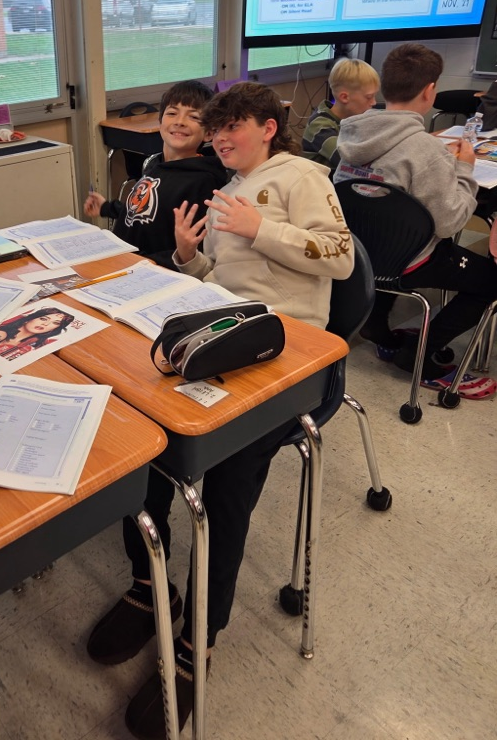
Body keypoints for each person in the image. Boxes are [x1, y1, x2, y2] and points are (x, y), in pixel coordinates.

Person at [86, 83, 354, 739]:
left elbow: (341, 257)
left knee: (229, 482)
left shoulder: (301, 175)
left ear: (268, 127)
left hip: (286, 356)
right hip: (225, 333)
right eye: (217, 132)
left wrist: (262, 226)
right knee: (140, 439)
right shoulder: (229, 187)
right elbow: (226, 283)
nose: (221, 140)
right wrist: (188, 257)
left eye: (232, 130)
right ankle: (152, 585)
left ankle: (201, 634)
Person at [335, 42, 497, 397]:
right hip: (409, 263)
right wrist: (465, 169)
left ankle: (377, 326)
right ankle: (419, 356)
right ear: (429, 91)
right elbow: (451, 223)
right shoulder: (425, 151)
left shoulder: (349, 136)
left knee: (388, 232)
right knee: (492, 281)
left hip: (359, 256)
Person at [85, 80, 228, 269]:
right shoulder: (155, 164)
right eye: (171, 113)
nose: (180, 122)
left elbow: (193, 248)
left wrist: (148, 263)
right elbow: (148, 213)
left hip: (148, 271)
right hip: (121, 259)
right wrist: (106, 208)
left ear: (209, 133)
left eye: (193, 117)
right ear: (160, 122)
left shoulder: (202, 181)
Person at [302, 57, 380, 168]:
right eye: (369, 97)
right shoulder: (319, 126)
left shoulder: (354, 117)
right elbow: (348, 162)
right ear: (344, 97)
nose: (374, 102)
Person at [0, 307, 75, 360]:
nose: (46, 324)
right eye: (43, 319)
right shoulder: (0, 333)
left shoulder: (33, 347)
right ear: (30, 318)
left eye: (55, 323)